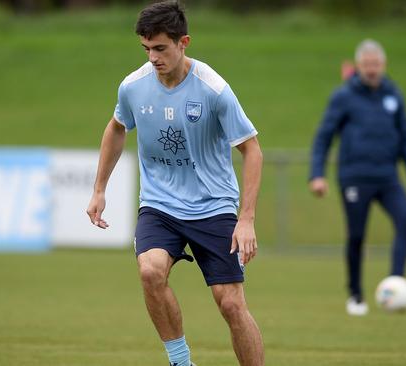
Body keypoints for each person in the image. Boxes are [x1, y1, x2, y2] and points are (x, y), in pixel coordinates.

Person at [85, 2, 264, 365]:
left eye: (161, 48)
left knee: (230, 303)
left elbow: (252, 149)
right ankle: (180, 361)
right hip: (160, 204)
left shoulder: (213, 89)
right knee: (150, 270)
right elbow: (117, 128)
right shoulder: (133, 87)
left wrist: (245, 219)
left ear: (184, 42)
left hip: (213, 206)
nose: (152, 57)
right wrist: (99, 188)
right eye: (146, 48)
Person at [309, 39, 406, 316]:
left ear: (383, 65)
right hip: (355, 178)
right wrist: (317, 175)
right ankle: (355, 294)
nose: (372, 69)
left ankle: (395, 285)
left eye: (376, 64)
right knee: (357, 236)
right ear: (358, 65)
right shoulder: (344, 96)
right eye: (367, 64)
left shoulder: (393, 95)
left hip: (387, 177)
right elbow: (323, 137)